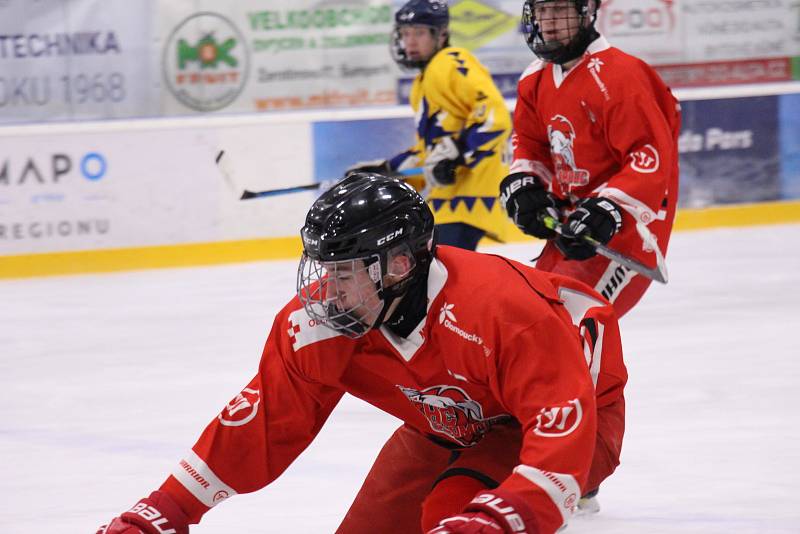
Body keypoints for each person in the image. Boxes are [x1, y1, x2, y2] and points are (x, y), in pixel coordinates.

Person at [97, 173, 627, 534]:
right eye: (325, 269)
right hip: (445, 420)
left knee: (454, 512)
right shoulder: (329, 323)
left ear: (399, 265)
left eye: (345, 272)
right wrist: (163, 511)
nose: (328, 289)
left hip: (575, 410)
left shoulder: (508, 313)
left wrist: (506, 514)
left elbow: (557, 451)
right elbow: (261, 425)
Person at [500, 0, 681, 317]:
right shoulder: (535, 78)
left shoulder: (620, 75)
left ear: (587, 12)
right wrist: (526, 184)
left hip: (626, 233)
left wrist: (608, 209)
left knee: (561, 330)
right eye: (542, 11)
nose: (549, 21)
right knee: (527, 321)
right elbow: (530, 144)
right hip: (570, 229)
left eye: (559, 10)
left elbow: (649, 157)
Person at [347, 0, 513, 251]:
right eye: (405, 33)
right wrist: (386, 169)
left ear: (442, 34)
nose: (410, 41)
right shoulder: (422, 81)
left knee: (437, 276)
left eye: (419, 32)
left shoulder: (451, 61)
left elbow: (494, 117)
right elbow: (432, 151)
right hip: (448, 201)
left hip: (468, 198)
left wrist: (456, 155)